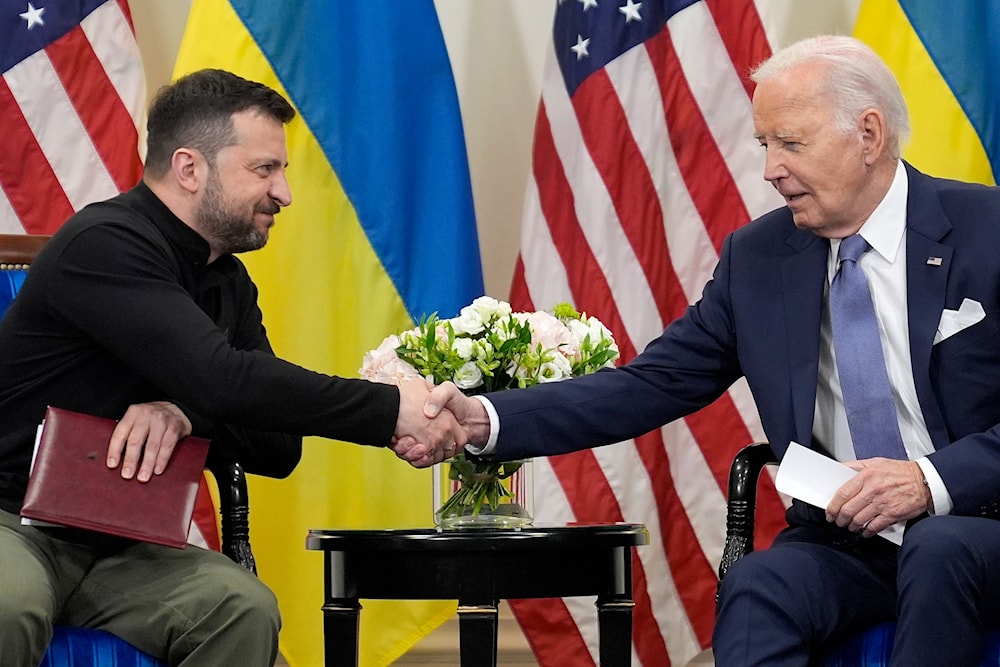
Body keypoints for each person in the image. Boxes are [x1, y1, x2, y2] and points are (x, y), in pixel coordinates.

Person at [408, 35, 1000, 665]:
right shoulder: (759, 257)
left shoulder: (985, 232)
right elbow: (650, 384)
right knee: (760, 584)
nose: (770, 168)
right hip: (849, 542)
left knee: (940, 551)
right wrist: (487, 417)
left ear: (869, 136)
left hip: (978, 523)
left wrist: (927, 481)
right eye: (764, 144)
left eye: (790, 143)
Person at [0, 69, 465, 666]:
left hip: (116, 547)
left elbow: (276, 448)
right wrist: (391, 409)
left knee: (240, 607)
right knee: (9, 604)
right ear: (190, 168)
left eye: (283, 171)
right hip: (12, 522)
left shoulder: (227, 282)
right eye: (264, 169)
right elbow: (224, 379)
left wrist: (182, 412)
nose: (285, 193)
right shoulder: (104, 242)